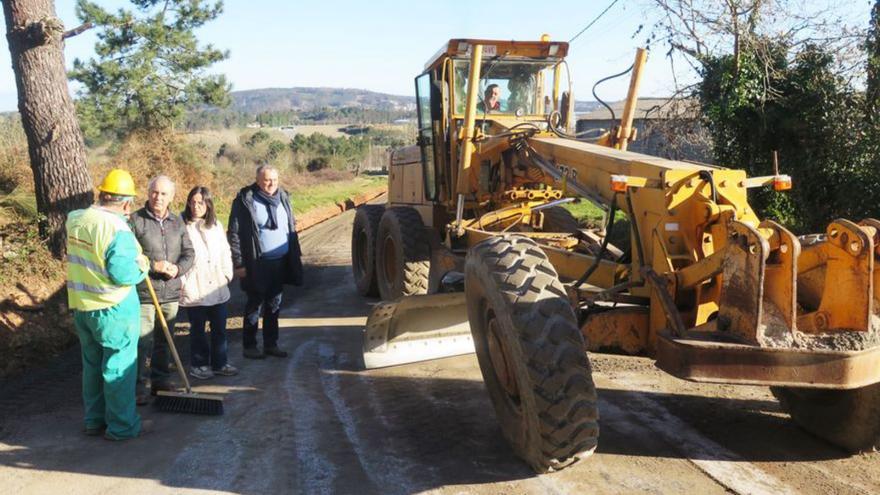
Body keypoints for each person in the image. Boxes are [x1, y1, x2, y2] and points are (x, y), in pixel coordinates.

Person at [66, 169, 151, 440]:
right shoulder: (117, 228)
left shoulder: (75, 219)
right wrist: (144, 266)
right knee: (118, 369)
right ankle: (122, 427)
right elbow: (123, 274)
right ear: (126, 203)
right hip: (114, 308)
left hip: (83, 307)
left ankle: (94, 420)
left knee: (92, 367)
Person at [130, 175, 194, 404]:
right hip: (144, 294)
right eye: (155, 192)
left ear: (171, 197)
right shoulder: (135, 221)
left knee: (165, 341)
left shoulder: (178, 223)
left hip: (170, 294)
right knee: (141, 342)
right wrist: (152, 265)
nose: (158, 197)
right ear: (148, 193)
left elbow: (189, 253)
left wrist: (177, 269)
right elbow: (129, 255)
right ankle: (137, 388)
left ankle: (161, 382)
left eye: (163, 194)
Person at [228, 165, 303, 359]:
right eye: (267, 180)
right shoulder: (245, 201)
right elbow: (234, 234)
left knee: (274, 304)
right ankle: (250, 346)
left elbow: (290, 224)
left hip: (281, 261)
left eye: (274, 180)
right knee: (255, 303)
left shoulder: (284, 197)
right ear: (257, 180)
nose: (271, 184)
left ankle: (271, 344)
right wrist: (239, 263)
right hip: (256, 263)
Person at [179, 186, 238, 379]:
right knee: (198, 329)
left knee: (219, 327)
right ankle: (199, 364)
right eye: (193, 202)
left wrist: (227, 274)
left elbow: (225, 251)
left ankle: (220, 363)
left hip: (217, 285)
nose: (196, 206)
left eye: (200, 202)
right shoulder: (181, 225)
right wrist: (183, 282)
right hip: (194, 286)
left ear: (208, 204)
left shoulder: (215, 225)